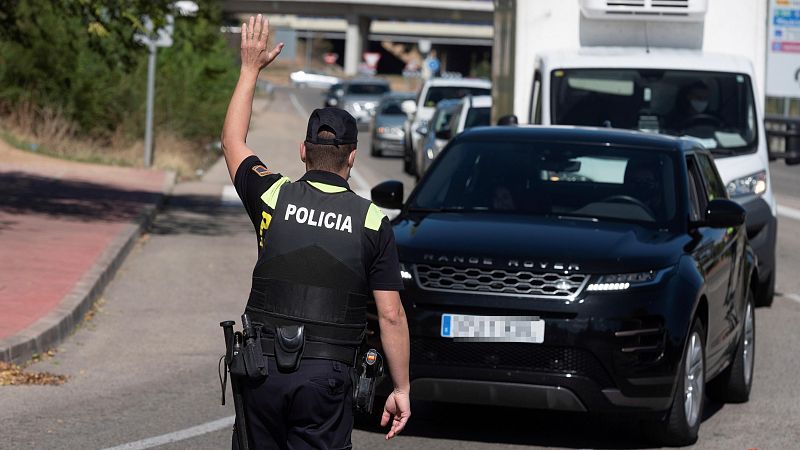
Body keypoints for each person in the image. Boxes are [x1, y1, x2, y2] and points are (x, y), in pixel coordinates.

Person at [220, 15, 411, 449]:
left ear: (303, 151)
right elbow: (391, 315)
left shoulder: (272, 195)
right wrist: (400, 389)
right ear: (353, 158)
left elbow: (233, 141)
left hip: (261, 370)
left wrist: (249, 68)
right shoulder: (372, 221)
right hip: (326, 379)